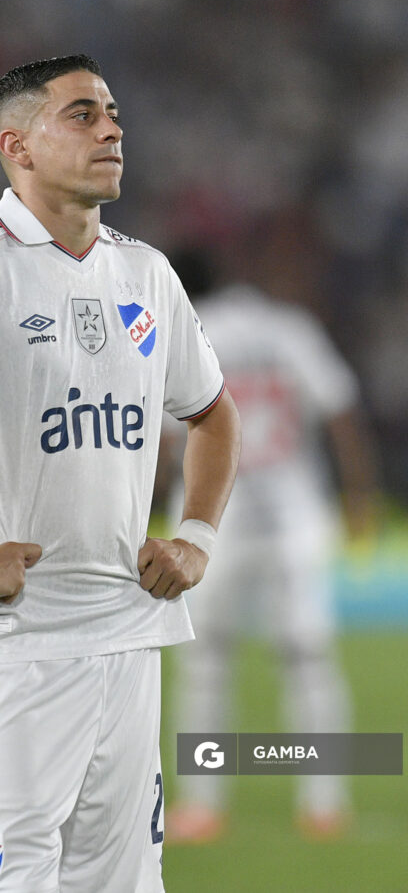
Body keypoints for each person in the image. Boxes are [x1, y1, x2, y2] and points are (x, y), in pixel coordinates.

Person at [0, 55, 241, 893]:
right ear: (17, 145)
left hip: (128, 635)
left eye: (115, 114)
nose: (113, 130)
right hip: (11, 649)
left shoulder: (146, 273)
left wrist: (198, 537)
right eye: (84, 115)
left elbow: (212, 413)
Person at [162, 274, 378, 843]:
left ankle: (203, 804)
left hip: (211, 520)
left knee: (206, 663)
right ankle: (325, 803)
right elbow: (341, 408)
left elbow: (161, 436)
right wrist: (359, 492)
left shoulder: (192, 327)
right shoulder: (291, 329)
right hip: (294, 515)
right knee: (309, 659)